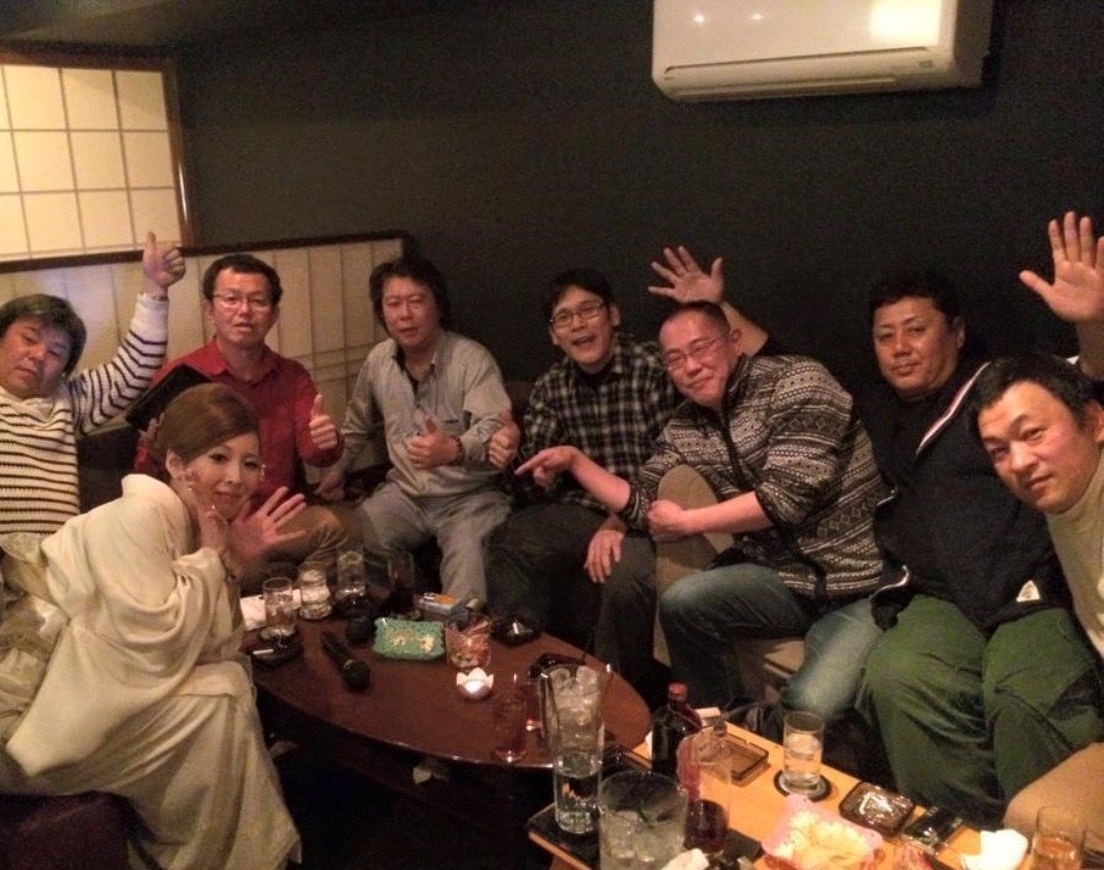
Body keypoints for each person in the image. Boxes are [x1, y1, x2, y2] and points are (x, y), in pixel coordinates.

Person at [0, 383, 304, 869]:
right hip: (1, 725)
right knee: (218, 703)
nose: (236, 477)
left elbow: (215, 646)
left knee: (227, 682)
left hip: (51, 703)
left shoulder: (189, 528)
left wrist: (230, 559)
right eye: (219, 457)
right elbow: (155, 649)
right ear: (176, 463)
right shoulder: (137, 516)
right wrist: (215, 559)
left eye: (250, 463)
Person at [517, 300, 885, 728]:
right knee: (681, 602)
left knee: (810, 704)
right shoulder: (687, 426)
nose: (691, 367)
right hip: (785, 579)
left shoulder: (797, 381)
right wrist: (575, 462)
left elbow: (786, 499)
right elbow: (640, 501)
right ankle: (712, 726)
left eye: (701, 348)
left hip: (859, 583)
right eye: (675, 359)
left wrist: (689, 522)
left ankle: (754, 733)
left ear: (733, 341)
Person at [853, 213, 1104, 826]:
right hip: (943, 594)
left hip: (1031, 593)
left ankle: (1044, 845)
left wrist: (1094, 323)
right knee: (896, 679)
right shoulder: (879, 409)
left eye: (916, 330)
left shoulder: (999, 389)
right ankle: (960, 838)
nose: (900, 347)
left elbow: (1083, 389)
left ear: (958, 332)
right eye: (886, 336)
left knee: (1024, 694)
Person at [485, 263, 769, 700]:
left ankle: (610, 698)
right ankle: (518, 672)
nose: (578, 325)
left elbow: (671, 462)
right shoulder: (551, 387)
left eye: (589, 310)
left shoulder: (656, 368)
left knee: (625, 576)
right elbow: (533, 485)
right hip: (583, 511)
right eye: (564, 317)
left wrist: (618, 521)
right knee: (511, 538)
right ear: (553, 335)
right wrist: (514, 458)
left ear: (613, 315)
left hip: (654, 510)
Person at [0, 134, 184, 593]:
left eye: (56, 352)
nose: (39, 356)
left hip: (53, 582)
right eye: (29, 339)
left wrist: (155, 288)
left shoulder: (66, 403)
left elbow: (135, 368)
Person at [133, 252, 349, 584]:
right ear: (210, 309)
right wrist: (153, 447)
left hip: (276, 516)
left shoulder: (291, 375)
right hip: (209, 522)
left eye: (258, 301)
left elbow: (317, 454)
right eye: (231, 299)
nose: (244, 311)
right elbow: (147, 476)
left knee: (341, 528)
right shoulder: (180, 376)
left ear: (273, 314)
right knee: (246, 568)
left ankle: (300, 598)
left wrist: (327, 441)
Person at [316, 255, 511, 602]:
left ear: (439, 306)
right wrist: (337, 469)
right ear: (382, 312)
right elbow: (357, 424)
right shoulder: (379, 360)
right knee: (356, 536)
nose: (404, 314)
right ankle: (408, 614)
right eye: (393, 304)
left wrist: (454, 449)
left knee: (465, 581)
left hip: (470, 498)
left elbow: (495, 426)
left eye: (416, 301)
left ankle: (455, 632)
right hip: (405, 494)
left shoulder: (471, 359)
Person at [973, 352, 1104, 658]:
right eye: (998, 450)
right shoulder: (1062, 498)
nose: (1019, 463)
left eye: (1033, 434)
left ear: (1094, 421)